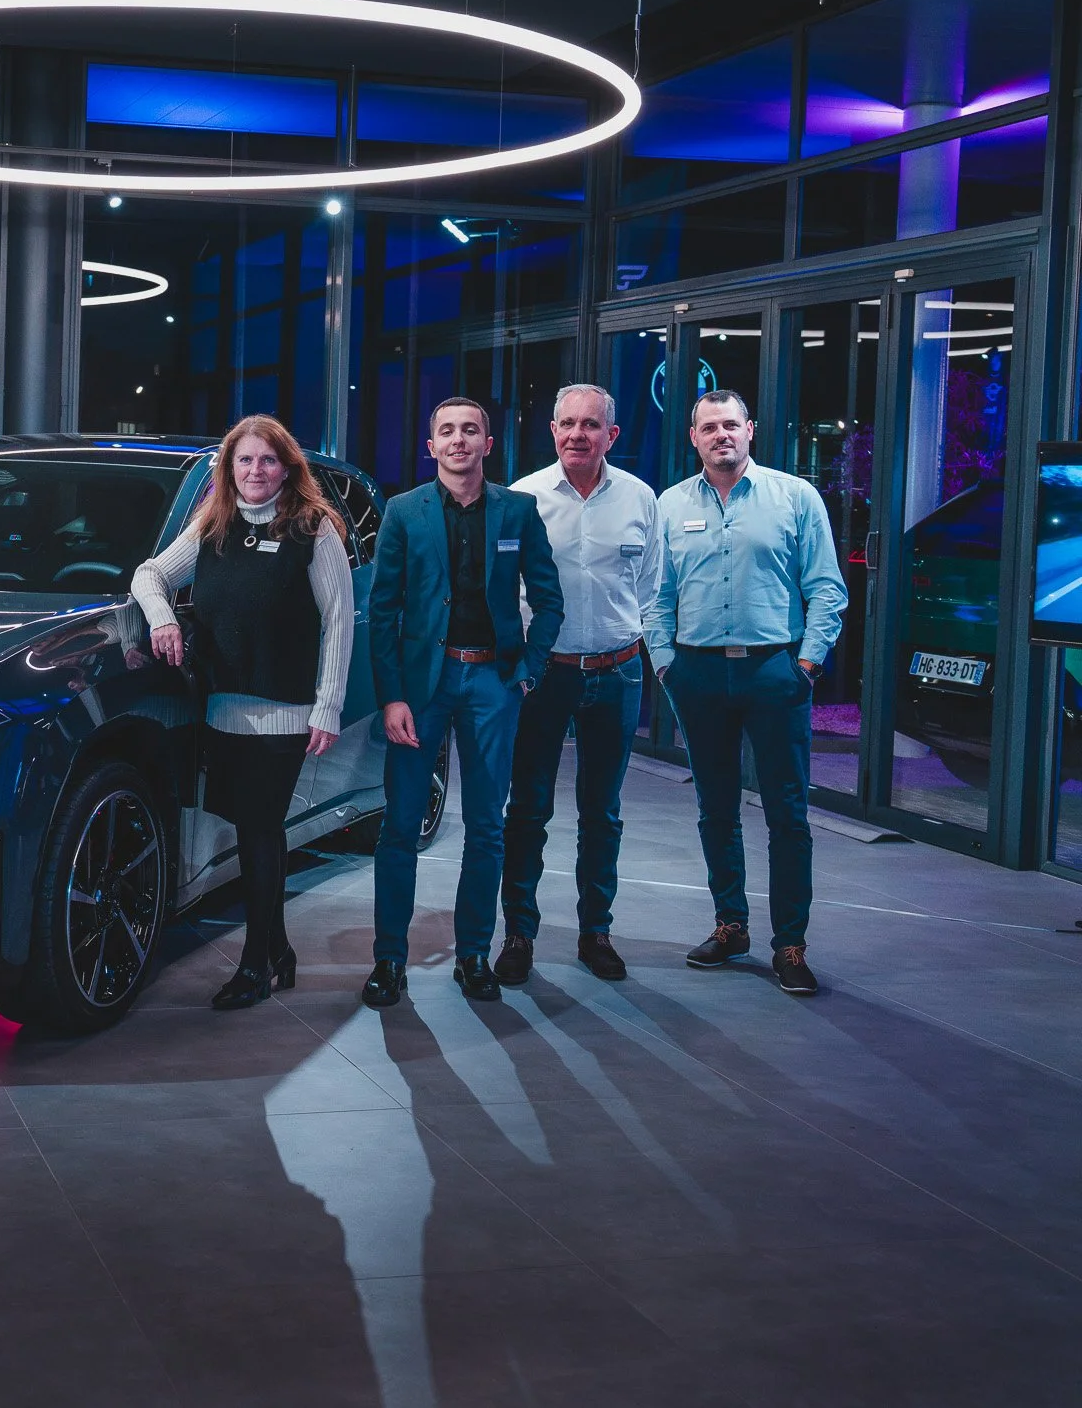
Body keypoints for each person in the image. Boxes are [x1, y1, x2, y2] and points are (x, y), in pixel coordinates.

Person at [132, 415, 352, 1010]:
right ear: (229, 469)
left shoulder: (313, 529)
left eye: (268, 460)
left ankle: (255, 963)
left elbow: (339, 622)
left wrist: (328, 707)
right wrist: (163, 618)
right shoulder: (214, 524)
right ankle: (277, 950)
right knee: (254, 831)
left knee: (260, 831)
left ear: (287, 468)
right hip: (224, 709)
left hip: (285, 714)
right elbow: (149, 574)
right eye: (245, 460)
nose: (256, 471)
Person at [645, 389, 847, 997]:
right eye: (709, 427)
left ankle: (790, 945)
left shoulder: (796, 497)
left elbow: (827, 588)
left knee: (787, 812)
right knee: (716, 808)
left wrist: (806, 662)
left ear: (750, 429)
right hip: (698, 674)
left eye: (731, 424)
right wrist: (666, 663)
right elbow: (656, 594)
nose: (721, 435)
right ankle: (731, 926)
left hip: (774, 672)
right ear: (694, 437)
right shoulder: (670, 504)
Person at [362, 397, 563, 1006]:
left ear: (487, 443)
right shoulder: (404, 512)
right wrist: (391, 697)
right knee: (400, 825)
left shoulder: (518, 510)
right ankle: (389, 961)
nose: (458, 440)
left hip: (493, 684)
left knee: (487, 827)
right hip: (421, 688)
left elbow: (549, 601)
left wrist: (527, 670)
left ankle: (474, 954)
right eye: (446, 431)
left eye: (469, 430)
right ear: (432, 447)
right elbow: (383, 612)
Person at [496, 385, 659, 986]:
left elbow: (652, 586)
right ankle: (519, 934)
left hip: (617, 672)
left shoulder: (640, 498)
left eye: (591, 425)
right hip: (545, 675)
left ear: (610, 435)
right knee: (528, 809)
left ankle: (597, 933)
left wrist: (648, 651)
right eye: (567, 423)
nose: (577, 435)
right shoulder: (524, 498)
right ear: (553, 431)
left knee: (602, 812)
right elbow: (507, 590)